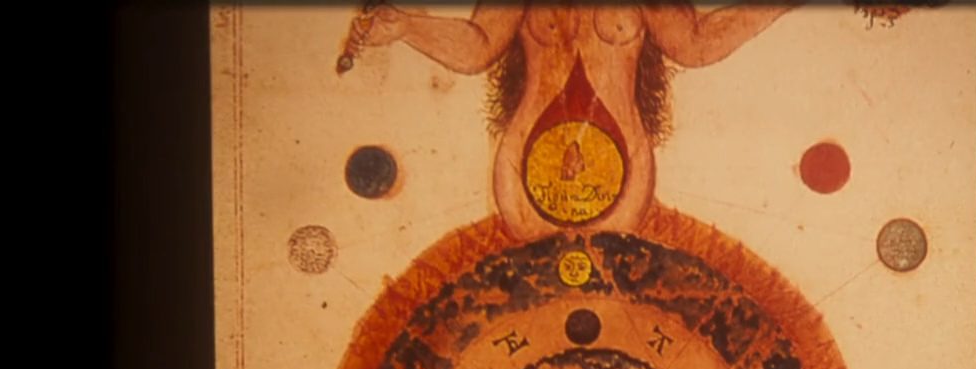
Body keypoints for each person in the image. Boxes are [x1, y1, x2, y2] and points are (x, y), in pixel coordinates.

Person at [341, 2, 800, 241]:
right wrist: (406, 27)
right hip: (523, 175)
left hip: (625, 178)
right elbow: (478, 46)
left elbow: (695, 44)